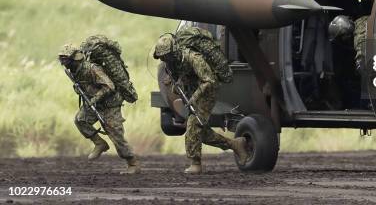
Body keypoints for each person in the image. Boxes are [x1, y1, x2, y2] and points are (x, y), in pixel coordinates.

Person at [153, 33, 248, 174]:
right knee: (201, 133)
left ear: (174, 51)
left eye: (166, 55)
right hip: (194, 91)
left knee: (192, 126)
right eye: (162, 57)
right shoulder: (173, 63)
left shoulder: (193, 58)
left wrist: (194, 98)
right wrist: (176, 84)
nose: (164, 59)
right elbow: (180, 77)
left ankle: (195, 163)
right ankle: (235, 144)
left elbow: (209, 81)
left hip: (207, 92)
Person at [58, 44, 140, 174]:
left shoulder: (92, 69)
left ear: (74, 58)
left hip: (109, 104)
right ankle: (100, 143)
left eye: (65, 59)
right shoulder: (73, 71)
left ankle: (132, 163)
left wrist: (94, 99)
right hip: (93, 103)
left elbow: (110, 86)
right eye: (61, 59)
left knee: (115, 135)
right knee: (80, 120)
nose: (63, 63)